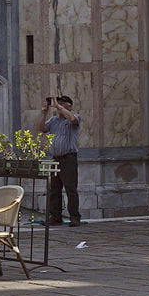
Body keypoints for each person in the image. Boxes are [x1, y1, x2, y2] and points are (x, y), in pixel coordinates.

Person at [40, 93, 83, 226]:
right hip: (55, 159)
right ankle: (55, 217)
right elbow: (41, 128)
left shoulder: (74, 117)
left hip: (68, 159)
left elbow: (72, 119)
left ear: (69, 106)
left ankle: (74, 217)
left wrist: (58, 106)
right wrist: (44, 113)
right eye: (58, 104)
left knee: (71, 189)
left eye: (62, 103)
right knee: (54, 189)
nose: (58, 107)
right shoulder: (53, 121)